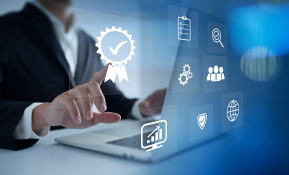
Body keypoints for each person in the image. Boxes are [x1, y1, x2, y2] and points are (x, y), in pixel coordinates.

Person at [0, 0, 166, 151]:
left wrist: (144, 107)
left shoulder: (86, 41)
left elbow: (108, 99)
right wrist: (42, 115)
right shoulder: (5, 30)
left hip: (80, 156)